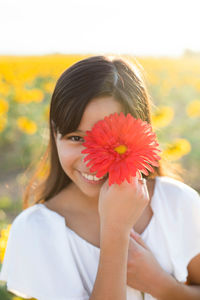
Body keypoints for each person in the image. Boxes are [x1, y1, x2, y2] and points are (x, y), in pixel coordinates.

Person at [0, 55, 200, 300]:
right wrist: (115, 232)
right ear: (54, 134)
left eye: (109, 141)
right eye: (76, 138)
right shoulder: (35, 231)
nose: (92, 160)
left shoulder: (178, 204)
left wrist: (161, 285)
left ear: (138, 135)